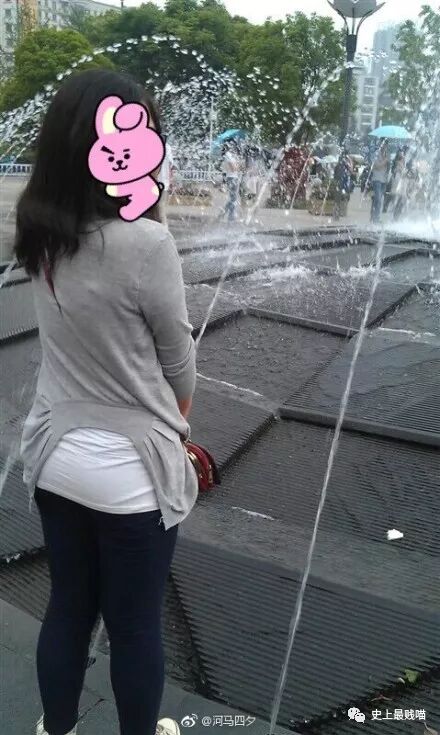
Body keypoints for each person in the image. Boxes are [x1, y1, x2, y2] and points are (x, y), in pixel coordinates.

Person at [14, 69, 198, 735]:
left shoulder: (39, 227)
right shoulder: (147, 243)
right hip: (131, 475)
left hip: (55, 454)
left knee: (68, 608)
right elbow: (178, 361)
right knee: (135, 624)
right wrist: (178, 422)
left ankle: (55, 727)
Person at [221, 140, 242, 222]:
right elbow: (234, 168)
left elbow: (237, 167)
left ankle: (223, 214)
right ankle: (230, 217)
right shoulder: (228, 155)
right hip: (232, 178)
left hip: (233, 178)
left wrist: (237, 166)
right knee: (233, 199)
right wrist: (238, 166)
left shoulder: (231, 155)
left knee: (232, 199)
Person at [370, 141, 390, 223]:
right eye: (384, 144)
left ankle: (375, 217)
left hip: (384, 180)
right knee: (377, 199)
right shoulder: (376, 154)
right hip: (377, 179)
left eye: (386, 145)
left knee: (378, 200)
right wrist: (385, 161)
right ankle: (375, 218)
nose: (385, 146)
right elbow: (377, 166)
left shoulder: (386, 155)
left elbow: (387, 169)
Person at [159, 137, 176, 227]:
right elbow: (170, 166)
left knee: (160, 208)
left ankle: (163, 228)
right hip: (163, 182)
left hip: (159, 182)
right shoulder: (167, 147)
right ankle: (163, 227)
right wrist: (171, 181)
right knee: (161, 207)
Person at [332, 150, 353, 221]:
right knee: (339, 199)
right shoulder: (345, 162)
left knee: (337, 199)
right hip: (342, 183)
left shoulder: (339, 163)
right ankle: (336, 215)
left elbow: (335, 174)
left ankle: (336, 215)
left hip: (338, 182)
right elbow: (350, 170)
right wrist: (350, 161)